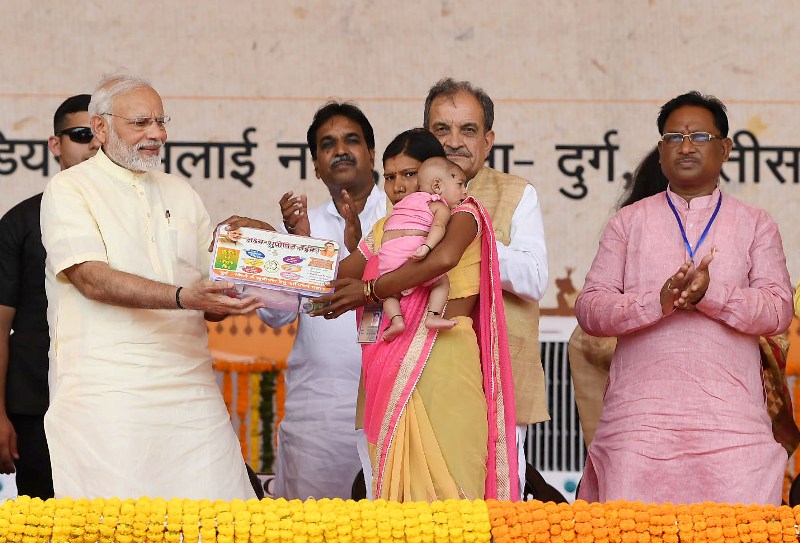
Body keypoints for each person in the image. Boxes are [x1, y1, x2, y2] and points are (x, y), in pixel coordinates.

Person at [40, 74, 263, 500]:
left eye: (161, 122)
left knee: (221, 520)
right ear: (101, 127)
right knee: (119, 525)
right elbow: (91, 278)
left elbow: (206, 296)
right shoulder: (69, 190)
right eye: (141, 123)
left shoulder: (181, 192)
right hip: (108, 391)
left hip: (190, 389)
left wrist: (251, 267)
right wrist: (183, 297)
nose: (157, 134)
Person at [575, 91, 794, 505]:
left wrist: (712, 294)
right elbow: (589, 308)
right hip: (640, 426)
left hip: (730, 427)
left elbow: (778, 309)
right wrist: (654, 303)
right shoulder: (629, 222)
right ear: (661, 152)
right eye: (674, 137)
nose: (687, 147)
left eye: (700, 138)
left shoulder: (755, 224)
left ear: (726, 149)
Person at [317, 128, 519, 502]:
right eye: (390, 177)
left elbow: (442, 259)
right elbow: (336, 275)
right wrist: (284, 247)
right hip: (391, 365)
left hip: (446, 357)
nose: (397, 186)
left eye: (409, 174)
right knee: (401, 509)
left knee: (456, 485)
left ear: (434, 174)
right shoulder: (382, 230)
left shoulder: (463, 213)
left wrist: (372, 290)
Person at [247, 101, 387, 500]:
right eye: (328, 144)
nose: (340, 149)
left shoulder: (399, 216)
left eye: (351, 140)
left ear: (371, 153)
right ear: (316, 164)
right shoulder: (300, 226)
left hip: (392, 404)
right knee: (313, 528)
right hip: (319, 413)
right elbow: (275, 316)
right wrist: (291, 246)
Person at [423, 78, 549, 496]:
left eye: (468, 130)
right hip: (422, 379)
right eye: (441, 129)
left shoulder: (517, 193)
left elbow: (533, 278)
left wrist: (473, 237)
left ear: (488, 139)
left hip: (497, 380)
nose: (453, 142)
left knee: (494, 511)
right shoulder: (405, 192)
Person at [0, 94, 99, 499]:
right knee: (47, 523)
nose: (94, 145)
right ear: (55, 144)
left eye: (101, 135)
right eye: (80, 135)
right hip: (38, 405)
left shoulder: (140, 219)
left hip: (114, 400)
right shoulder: (21, 222)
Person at [378, 157, 467, 341]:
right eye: (460, 185)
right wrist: (426, 247)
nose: (464, 193)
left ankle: (396, 321)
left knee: (389, 293)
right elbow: (438, 228)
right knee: (441, 282)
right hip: (412, 248)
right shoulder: (437, 204)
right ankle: (433, 316)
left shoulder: (404, 202)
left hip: (388, 253)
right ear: (437, 186)